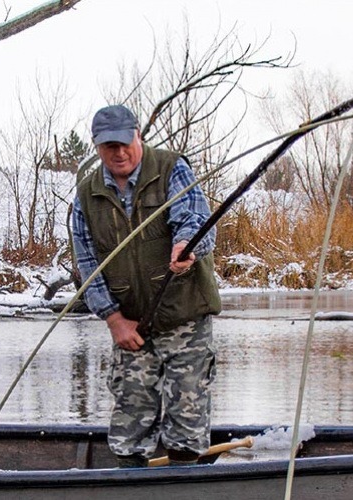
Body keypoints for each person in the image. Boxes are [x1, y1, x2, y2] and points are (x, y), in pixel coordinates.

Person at [68, 104, 223, 468]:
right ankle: (129, 481)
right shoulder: (86, 195)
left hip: (185, 316)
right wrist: (113, 319)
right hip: (132, 325)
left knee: (187, 417)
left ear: (138, 136)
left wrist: (186, 246)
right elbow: (88, 264)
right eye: (109, 147)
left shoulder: (171, 168)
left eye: (125, 143)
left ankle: (185, 480)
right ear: (96, 147)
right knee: (130, 418)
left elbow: (197, 220)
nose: (119, 153)